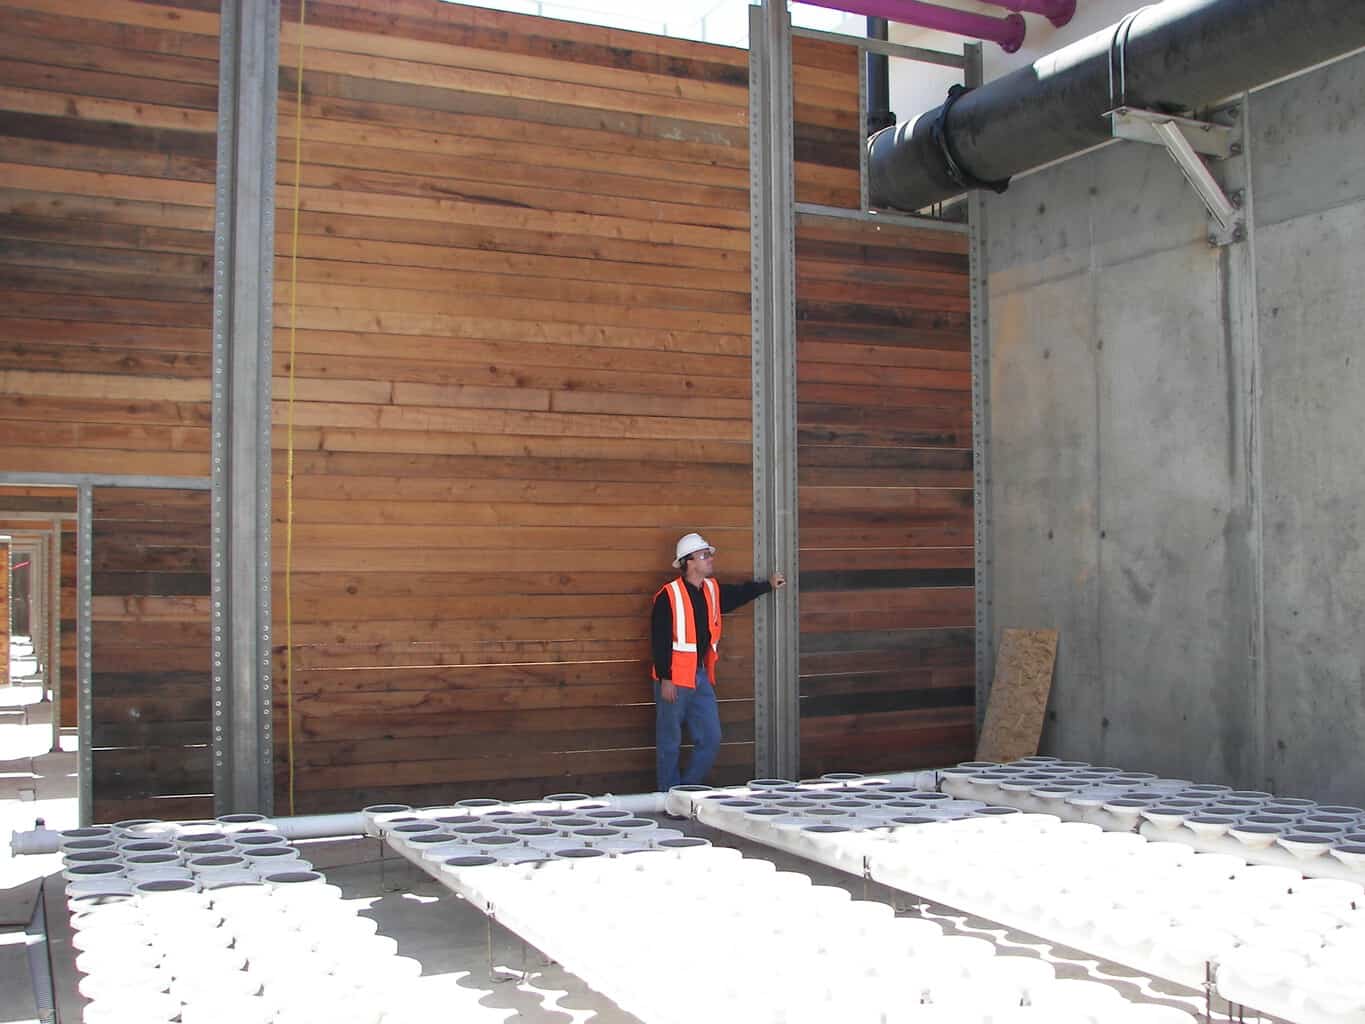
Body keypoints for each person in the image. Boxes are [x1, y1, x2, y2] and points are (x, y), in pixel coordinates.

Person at [650, 532, 786, 792]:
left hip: (699, 677)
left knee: (711, 738)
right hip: (674, 679)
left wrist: (767, 585)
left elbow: (737, 594)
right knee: (669, 742)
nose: (710, 559)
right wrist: (666, 677)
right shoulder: (668, 596)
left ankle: (685, 792)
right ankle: (668, 796)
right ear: (688, 562)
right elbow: (660, 639)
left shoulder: (711, 589)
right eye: (704, 555)